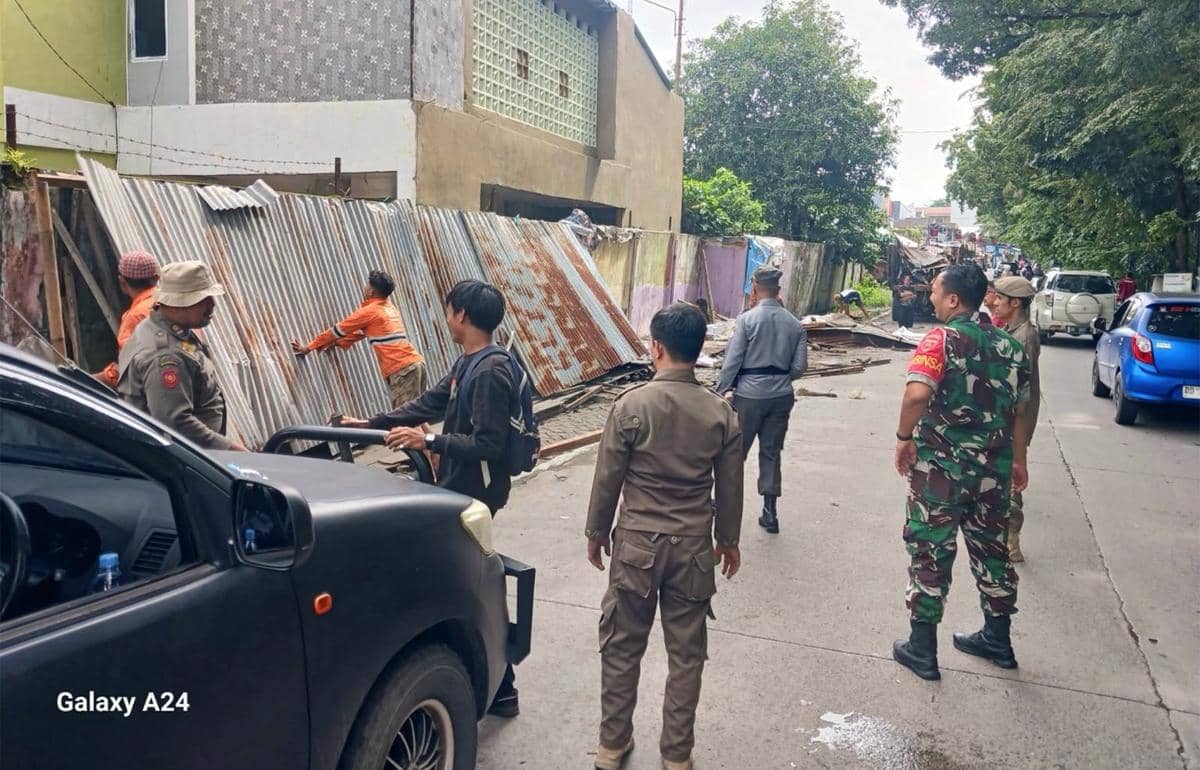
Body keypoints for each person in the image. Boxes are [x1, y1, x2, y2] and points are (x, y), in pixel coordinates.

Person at [340, 279, 521, 716]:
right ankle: (502, 687)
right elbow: (428, 403)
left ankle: (500, 681)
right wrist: (371, 423)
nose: (447, 318)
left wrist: (430, 444)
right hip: (458, 484)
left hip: (475, 490)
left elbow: (489, 444)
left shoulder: (491, 369)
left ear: (461, 314)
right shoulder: (467, 363)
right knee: (461, 574)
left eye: (448, 311)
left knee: (466, 577)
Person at [586, 302, 743, 770]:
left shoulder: (630, 405)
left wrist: (595, 532)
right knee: (686, 656)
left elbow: (607, 478)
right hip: (693, 550)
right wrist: (728, 540)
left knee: (621, 646)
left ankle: (612, 747)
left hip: (636, 547)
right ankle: (676, 756)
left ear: (656, 348)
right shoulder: (720, 413)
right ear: (696, 351)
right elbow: (730, 486)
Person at [891, 264, 1032, 681]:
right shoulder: (1010, 346)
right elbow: (1019, 410)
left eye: (935, 291)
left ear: (954, 299)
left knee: (930, 550)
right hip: (994, 469)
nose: (930, 297)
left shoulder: (941, 339)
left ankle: (922, 648)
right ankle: (998, 639)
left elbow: (917, 393)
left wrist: (903, 437)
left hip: (942, 472)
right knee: (992, 551)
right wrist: (1019, 460)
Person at [714, 266, 807, 534]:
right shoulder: (795, 324)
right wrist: (777, 377)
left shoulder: (747, 320)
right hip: (780, 397)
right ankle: (770, 512)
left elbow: (732, 362)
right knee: (771, 452)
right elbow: (799, 368)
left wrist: (720, 391)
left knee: (735, 452)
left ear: (754, 288)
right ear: (779, 290)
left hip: (749, 397)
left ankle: (722, 507)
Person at [118, 261, 247, 451]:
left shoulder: (160, 327)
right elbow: (175, 423)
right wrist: (231, 450)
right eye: (202, 300)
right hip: (187, 460)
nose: (212, 305)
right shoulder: (166, 356)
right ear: (176, 305)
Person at [291, 270, 426, 408]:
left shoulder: (369, 312)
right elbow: (362, 332)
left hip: (402, 370)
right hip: (416, 364)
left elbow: (337, 330)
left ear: (371, 291)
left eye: (367, 285)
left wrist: (308, 347)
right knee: (414, 416)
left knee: (403, 423)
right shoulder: (389, 308)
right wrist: (338, 343)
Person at [990, 276, 1041, 563]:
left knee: (1011, 478)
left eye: (1000, 298)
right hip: (1010, 418)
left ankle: (1011, 541)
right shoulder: (1014, 330)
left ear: (1016, 302)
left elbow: (1018, 394)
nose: (995, 303)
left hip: (1014, 420)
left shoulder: (1023, 338)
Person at [95, 250, 161, 387]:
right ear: (157, 278)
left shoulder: (136, 316)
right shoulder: (176, 305)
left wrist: (88, 380)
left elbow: (128, 368)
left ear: (122, 282)